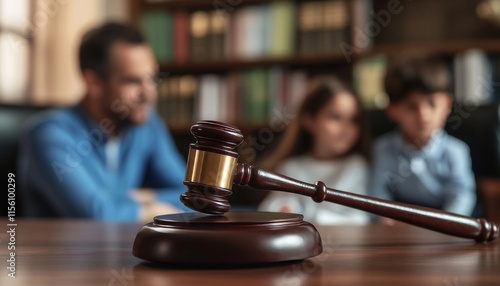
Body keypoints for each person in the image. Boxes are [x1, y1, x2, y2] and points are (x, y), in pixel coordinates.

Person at [18, 23, 187, 222]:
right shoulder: (49, 135)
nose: (149, 93)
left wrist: (146, 197)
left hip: (123, 250)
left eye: (151, 79)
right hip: (60, 253)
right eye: (133, 81)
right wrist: (152, 209)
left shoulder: (147, 126)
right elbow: (97, 215)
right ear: (93, 82)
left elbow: (194, 197)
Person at [370, 56, 476, 217]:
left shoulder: (456, 151)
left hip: (447, 225)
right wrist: (385, 219)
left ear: (446, 105)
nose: (423, 115)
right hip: (401, 227)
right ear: (392, 110)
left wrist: (447, 224)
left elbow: (462, 195)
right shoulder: (383, 149)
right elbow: (377, 193)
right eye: (411, 107)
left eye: (432, 103)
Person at [258, 77, 371, 225]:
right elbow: (268, 209)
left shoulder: (357, 166)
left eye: (354, 120)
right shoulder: (292, 167)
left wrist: (312, 218)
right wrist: (284, 207)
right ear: (309, 120)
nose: (346, 128)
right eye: (335, 117)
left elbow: (359, 219)